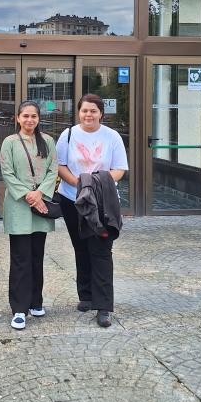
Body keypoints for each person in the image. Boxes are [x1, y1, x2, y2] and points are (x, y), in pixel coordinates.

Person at [56, 94, 128, 328]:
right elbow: (61, 166)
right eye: (85, 111)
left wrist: (95, 184)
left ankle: (104, 306)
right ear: (79, 112)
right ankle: (85, 295)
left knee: (101, 250)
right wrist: (81, 185)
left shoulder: (112, 136)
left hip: (104, 202)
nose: (89, 115)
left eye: (93, 111)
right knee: (81, 246)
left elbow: (119, 169)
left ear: (101, 114)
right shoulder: (68, 135)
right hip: (72, 199)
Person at [0, 100, 58, 331]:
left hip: (41, 204)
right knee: (20, 259)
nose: (29, 120)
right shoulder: (9, 143)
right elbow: (7, 172)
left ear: (38, 118)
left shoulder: (48, 142)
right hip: (19, 206)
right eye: (25, 116)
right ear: (17, 118)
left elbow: (54, 169)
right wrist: (29, 196)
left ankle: (36, 301)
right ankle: (19, 309)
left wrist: (41, 193)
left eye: (33, 116)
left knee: (37, 256)